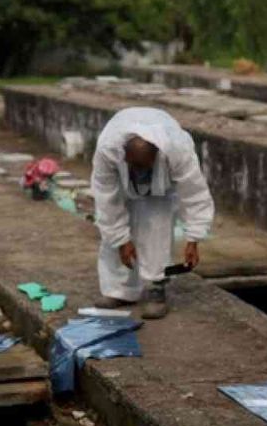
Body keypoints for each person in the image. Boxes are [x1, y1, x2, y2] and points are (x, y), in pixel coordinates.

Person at [90, 107, 214, 319]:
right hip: (120, 180)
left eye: (144, 166)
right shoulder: (108, 150)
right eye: (135, 166)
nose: (140, 172)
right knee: (111, 233)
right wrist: (121, 240)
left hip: (161, 189)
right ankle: (118, 291)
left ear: (156, 156)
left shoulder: (177, 150)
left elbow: (194, 193)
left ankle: (156, 287)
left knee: (157, 225)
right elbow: (105, 198)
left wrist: (194, 238)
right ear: (125, 156)